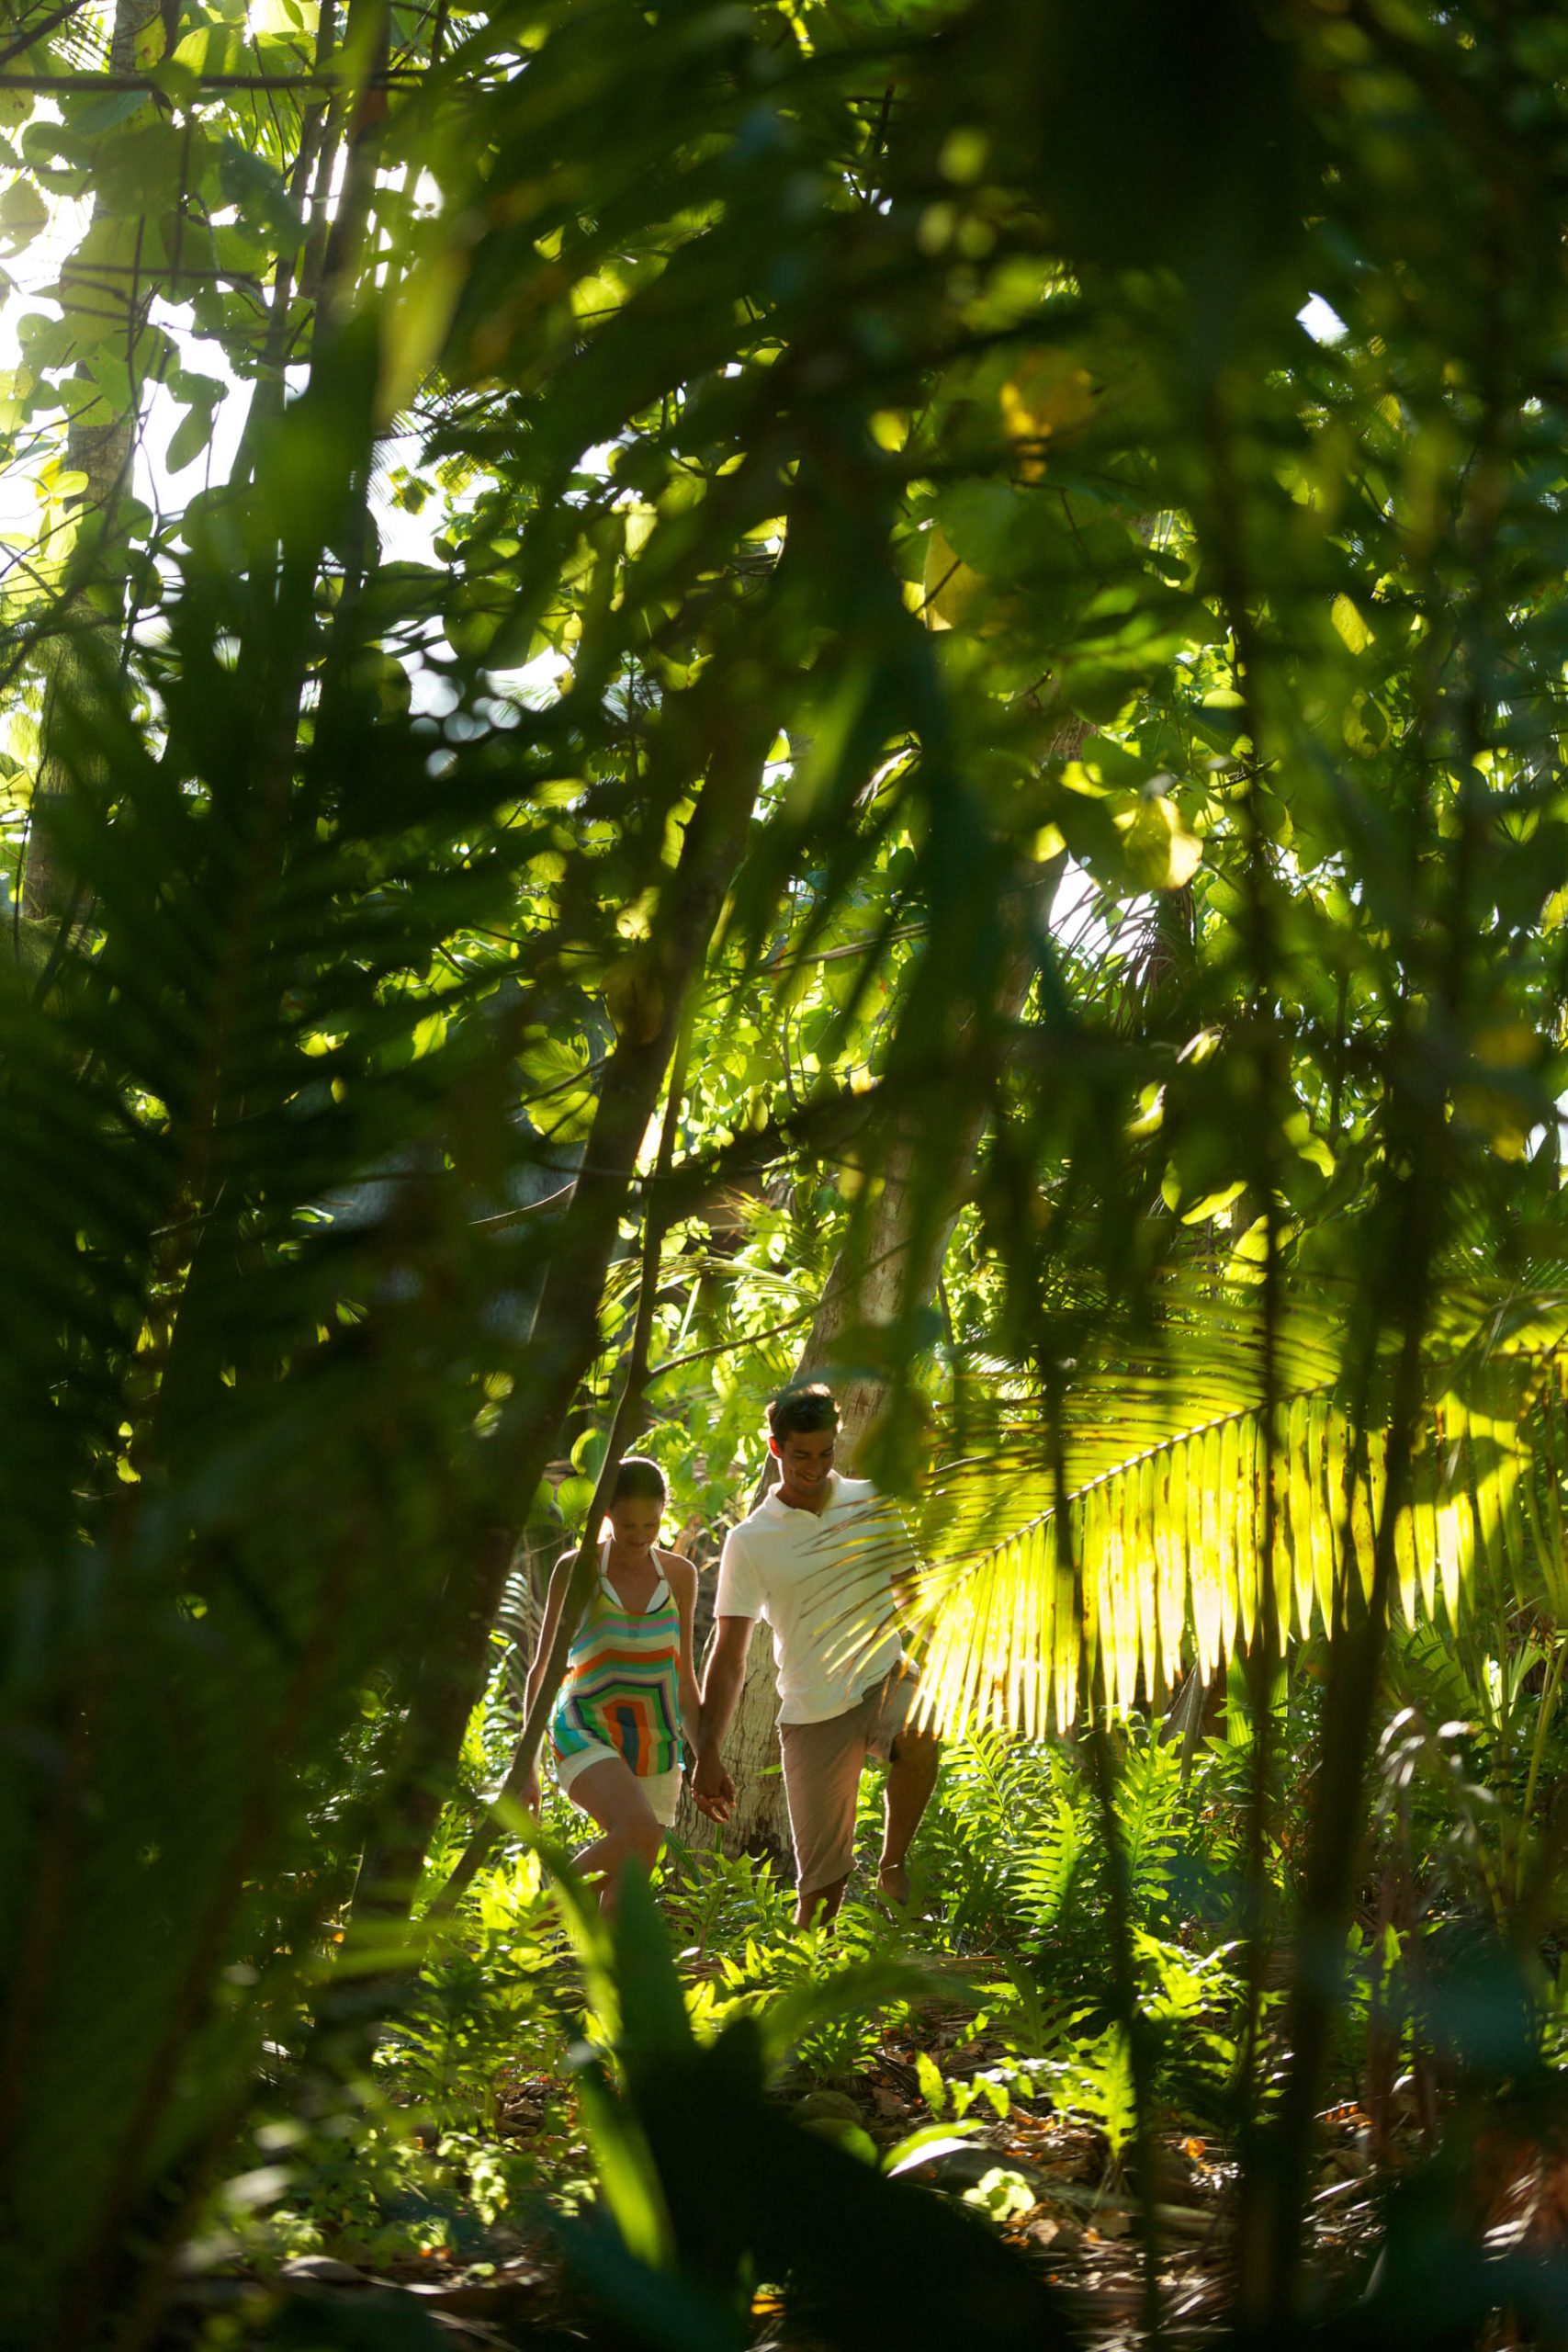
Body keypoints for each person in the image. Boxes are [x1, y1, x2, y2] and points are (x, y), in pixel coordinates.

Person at [693, 1385, 941, 1928]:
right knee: (822, 1897)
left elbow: (916, 1602)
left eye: (825, 1453)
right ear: (775, 1448)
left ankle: (893, 1866)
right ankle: (804, 1995)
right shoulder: (750, 1541)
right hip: (812, 1711)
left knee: (921, 1728)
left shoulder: (873, 1501)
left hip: (883, 1676)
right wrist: (708, 1750)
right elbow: (730, 1657)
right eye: (801, 1455)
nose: (814, 1466)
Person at [525, 1455, 701, 1912]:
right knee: (639, 1830)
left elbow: (684, 1679)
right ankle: (527, 1927)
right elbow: (542, 1669)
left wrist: (710, 1754)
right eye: (628, 1525)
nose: (640, 1536)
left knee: (626, 1894)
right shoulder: (577, 1568)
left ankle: (601, 1980)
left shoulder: (679, 1576)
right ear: (607, 1515)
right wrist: (526, 1764)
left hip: (658, 1742)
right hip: (586, 1726)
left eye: (652, 1524)